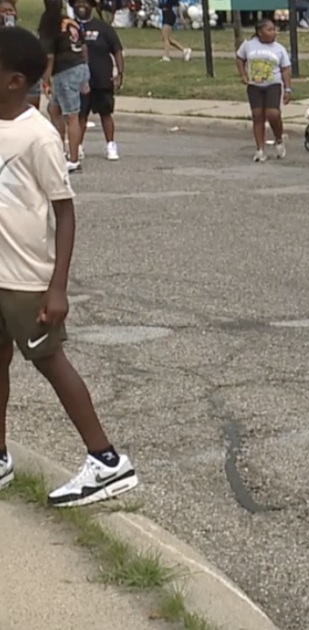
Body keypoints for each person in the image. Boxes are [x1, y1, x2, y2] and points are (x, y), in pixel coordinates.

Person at [0, 25, 141, 506]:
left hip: (27, 279)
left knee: (50, 362)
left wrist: (57, 288)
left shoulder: (38, 137)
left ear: (15, 80)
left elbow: (64, 211)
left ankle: (105, 462)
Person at [38, 0, 89, 172]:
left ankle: (74, 159)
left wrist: (45, 81)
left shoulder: (49, 24)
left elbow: (50, 57)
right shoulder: (70, 21)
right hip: (79, 66)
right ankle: (59, 150)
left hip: (65, 71)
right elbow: (83, 47)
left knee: (71, 116)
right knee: (54, 109)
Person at [235, 19, 292, 162]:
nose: (274, 32)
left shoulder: (279, 48)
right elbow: (240, 58)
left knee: (272, 113)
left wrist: (287, 88)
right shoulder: (248, 45)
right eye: (270, 30)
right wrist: (243, 74)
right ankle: (260, 150)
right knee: (257, 115)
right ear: (260, 32)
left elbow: (285, 69)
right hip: (254, 86)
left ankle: (279, 138)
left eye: (274, 29)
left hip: (273, 85)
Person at [76, 0, 124, 161]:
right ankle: (78, 146)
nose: (81, 5)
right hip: (79, 79)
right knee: (80, 115)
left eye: (85, 2)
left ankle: (110, 144)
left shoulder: (103, 28)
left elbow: (117, 50)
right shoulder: (70, 27)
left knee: (105, 113)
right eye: (77, 2)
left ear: (91, 6)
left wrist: (120, 72)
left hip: (102, 77)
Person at [1, 0, 43, 110]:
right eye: (4, 11)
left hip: (26, 79)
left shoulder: (26, 34)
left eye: (11, 11)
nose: (8, 14)